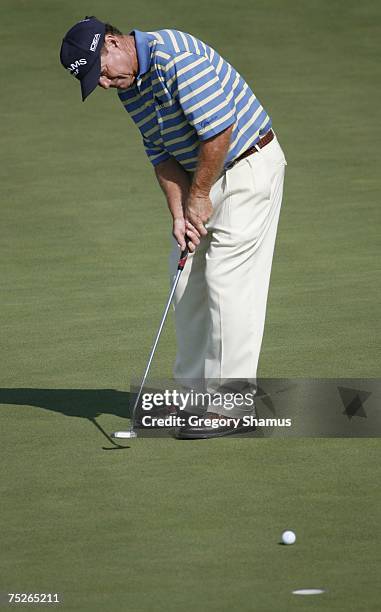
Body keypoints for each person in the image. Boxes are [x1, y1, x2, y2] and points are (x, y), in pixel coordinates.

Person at [60, 16, 287, 439]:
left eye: (102, 72)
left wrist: (198, 195)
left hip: (246, 165)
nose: (105, 85)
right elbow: (160, 155)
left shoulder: (176, 58)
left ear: (112, 43)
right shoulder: (132, 88)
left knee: (226, 279)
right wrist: (180, 213)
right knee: (183, 279)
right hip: (203, 175)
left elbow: (219, 132)